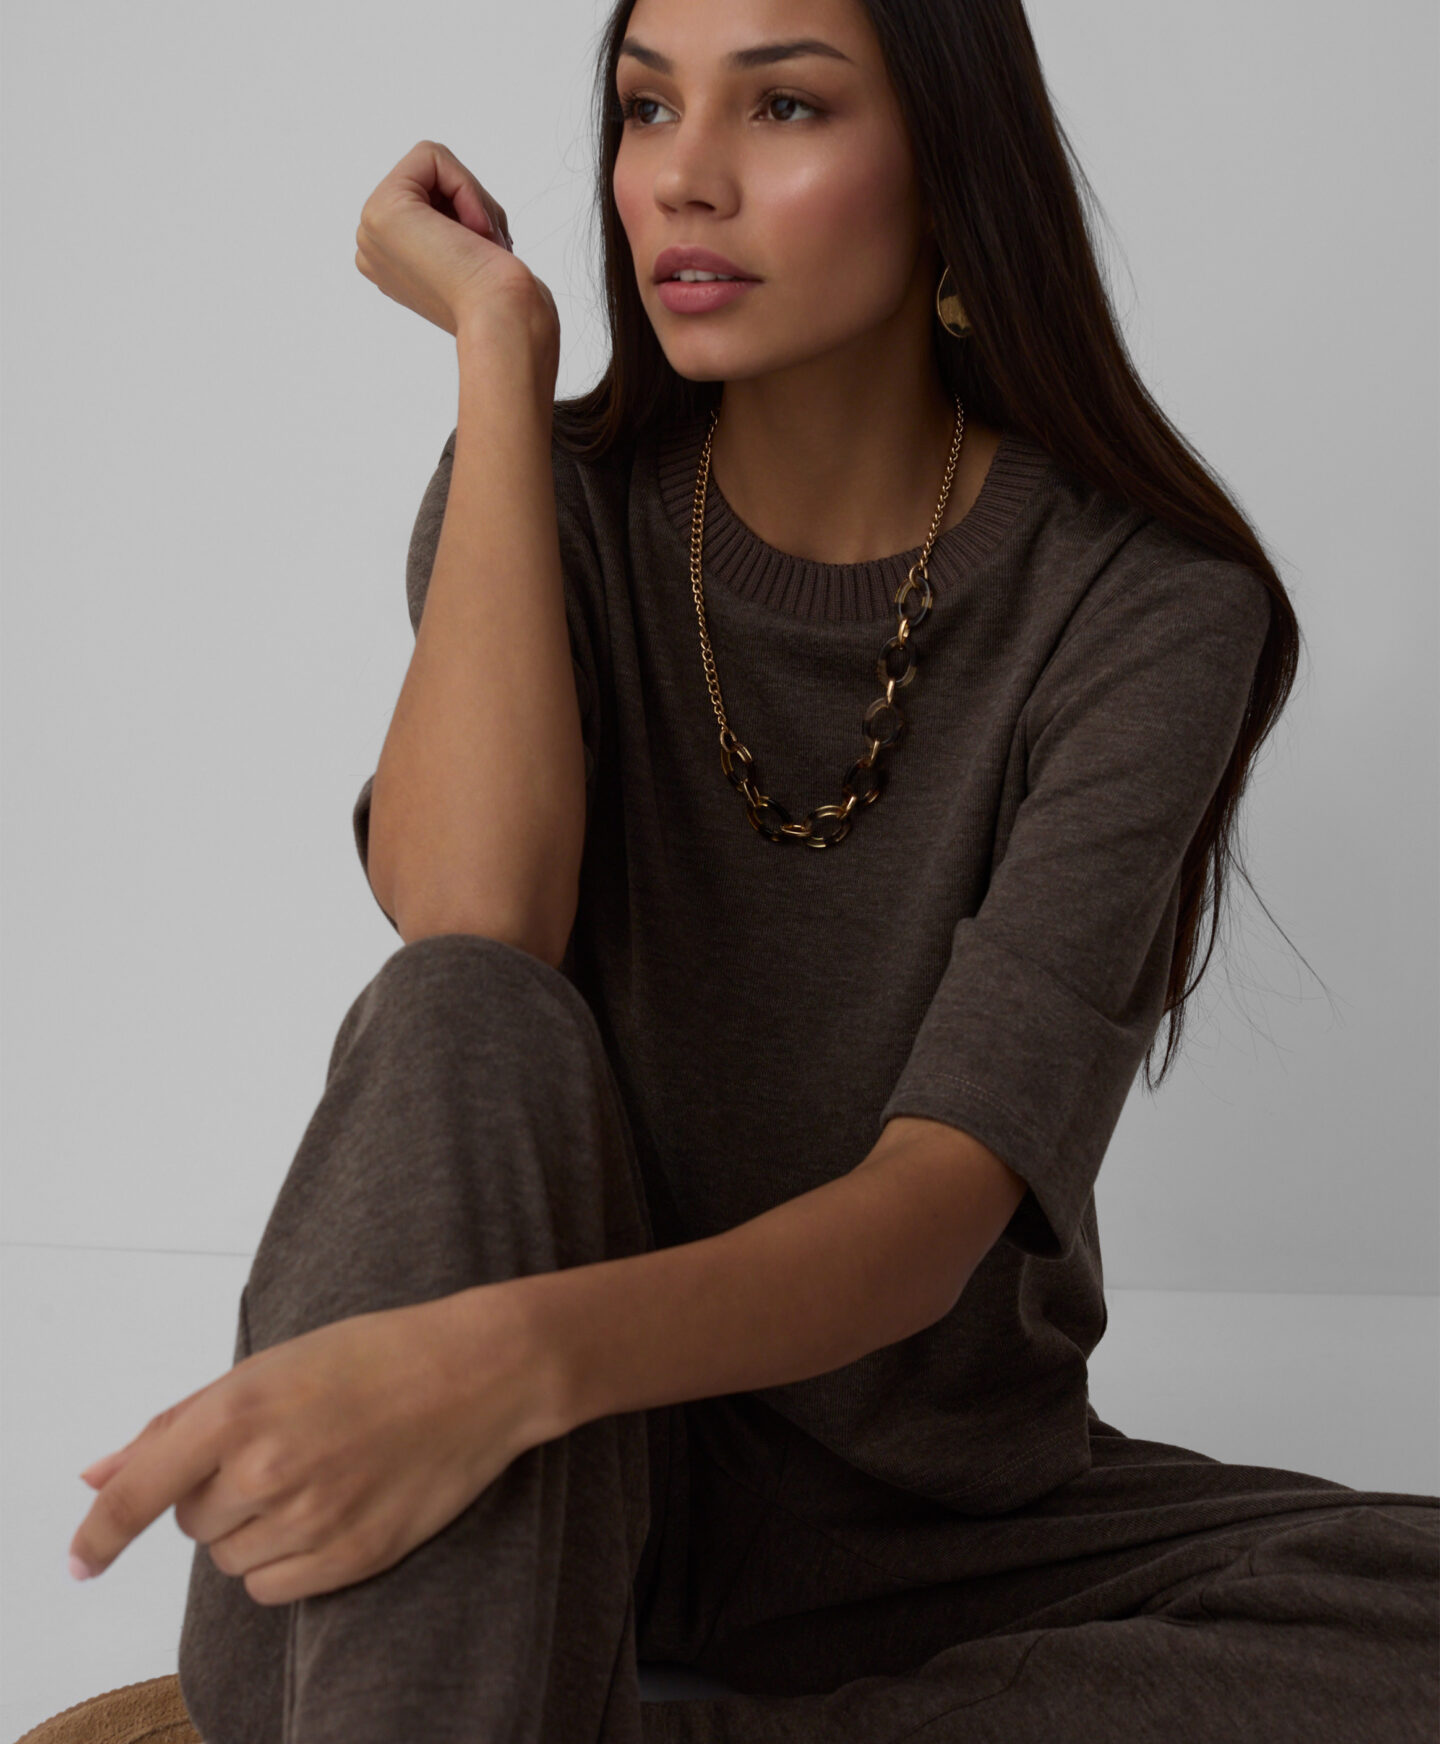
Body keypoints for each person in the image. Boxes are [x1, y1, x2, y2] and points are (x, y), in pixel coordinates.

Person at [63, 1, 1437, 1740]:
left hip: (911, 1513)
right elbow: (475, 931)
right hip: (517, 1481)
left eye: (783, 107)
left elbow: (926, 1219)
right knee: (461, 1015)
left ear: (953, 171)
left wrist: (500, 1359)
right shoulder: (545, 496)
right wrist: (498, 348)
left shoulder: (1146, 605)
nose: (681, 179)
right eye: (646, 110)